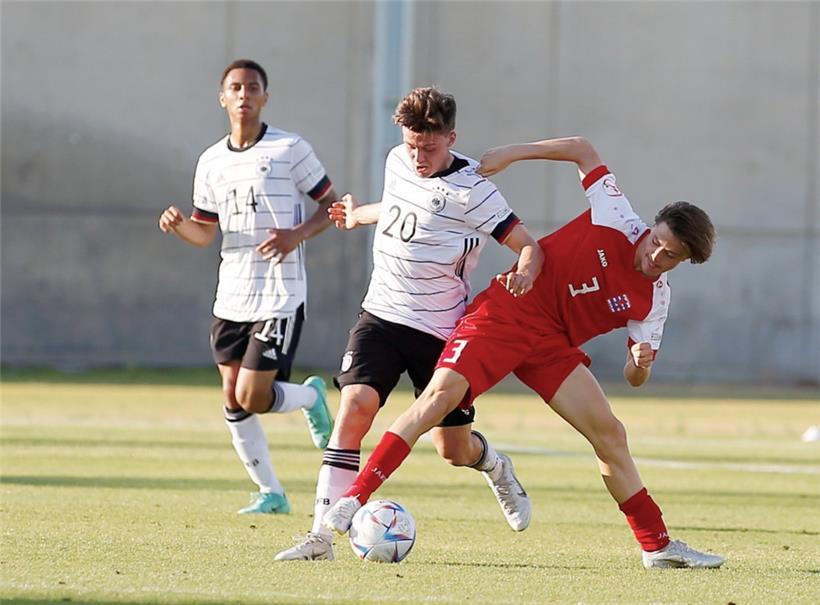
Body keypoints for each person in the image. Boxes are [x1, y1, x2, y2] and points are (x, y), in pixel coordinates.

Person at [322, 136, 726, 569]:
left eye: (670, 256)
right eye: (657, 243)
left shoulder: (655, 300)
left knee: (610, 435)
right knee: (438, 402)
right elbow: (583, 149)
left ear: (684, 261)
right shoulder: (616, 213)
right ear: (653, 226)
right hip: (509, 310)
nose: (656, 256)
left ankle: (657, 546)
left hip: (552, 346)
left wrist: (638, 363)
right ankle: (353, 499)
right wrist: (513, 155)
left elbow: (634, 376)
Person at [274, 87, 543, 561]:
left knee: (452, 448)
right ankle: (320, 537)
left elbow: (529, 245)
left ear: (451, 137)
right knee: (354, 407)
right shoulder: (398, 158)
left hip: (441, 331)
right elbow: (402, 206)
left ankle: (496, 466)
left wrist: (523, 271)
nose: (418, 156)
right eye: (412, 144)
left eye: (430, 147)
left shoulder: (474, 189)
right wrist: (359, 215)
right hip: (381, 312)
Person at [158, 59, 335, 515]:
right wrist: (179, 226)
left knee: (254, 396)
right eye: (235, 88)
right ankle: (271, 492)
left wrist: (295, 235)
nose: (243, 95)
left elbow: (330, 206)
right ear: (223, 98)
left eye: (252, 87)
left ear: (264, 97)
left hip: (280, 292)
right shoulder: (211, 161)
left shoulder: (290, 149)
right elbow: (204, 233)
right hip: (232, 293)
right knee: (232, 398)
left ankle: (312, 396)